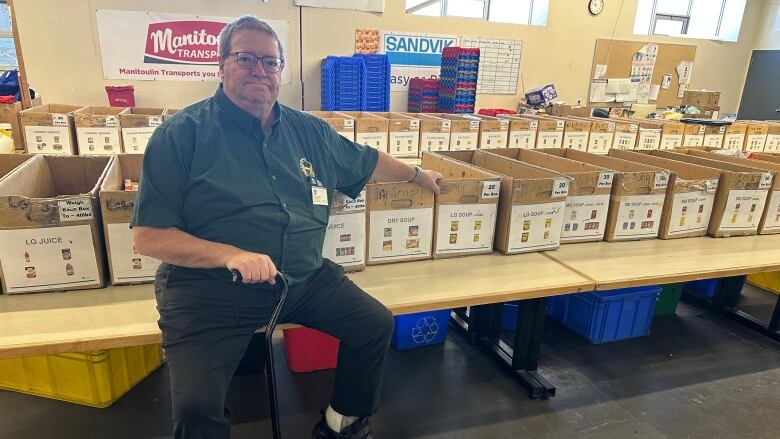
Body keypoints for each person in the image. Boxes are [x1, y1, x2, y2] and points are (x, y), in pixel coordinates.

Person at [131, 15, 442, 439]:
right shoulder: (180, 136)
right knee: (196, 405)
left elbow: (366, 161)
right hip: (208, 290)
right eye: (245, 58)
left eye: (270, 62)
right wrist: (230, 255)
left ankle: (342, 422)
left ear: (280, 71)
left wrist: (419, 175)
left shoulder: (307, 130)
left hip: (301, 278)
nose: (259, 70)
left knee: (374, 326)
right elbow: (148, 235)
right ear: (221, 66)